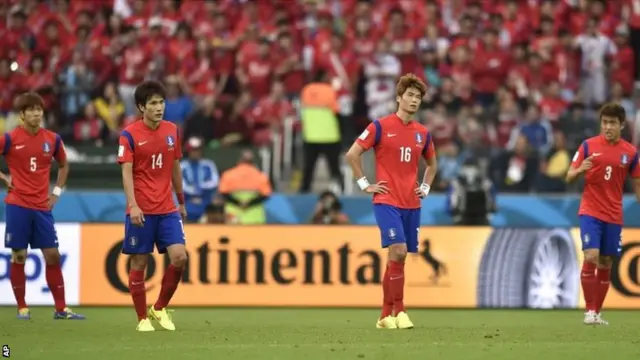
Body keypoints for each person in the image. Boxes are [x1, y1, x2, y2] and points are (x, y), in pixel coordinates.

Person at [345, 73, 438, 329]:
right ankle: (401, 311)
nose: (414, 100)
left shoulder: (422, 133)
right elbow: (352, 154)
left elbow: (432, 163)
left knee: (398, 258)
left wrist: (426, 186)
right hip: (386, 199)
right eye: (409, 95)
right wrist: (365, 184)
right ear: (399, 98)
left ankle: (385, 316)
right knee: (397, 250)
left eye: (418, 97)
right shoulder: (380, 126)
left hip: (412, 202)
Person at [1, 92, 85, 320]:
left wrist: (56, 192)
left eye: (39, 109)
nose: (37, 113)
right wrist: (3, 177)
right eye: (32, 109)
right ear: (22, 114)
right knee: (19, 256)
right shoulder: (9, 138)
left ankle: (61, 309)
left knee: (53, 255)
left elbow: (65, 165)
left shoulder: (53, 139)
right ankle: (22, 307)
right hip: (17, 204)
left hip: (42, 207)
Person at [117, 80, 188, 332]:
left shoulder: (172, 130)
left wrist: (181, 200)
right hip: (142, 210)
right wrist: (133, 205)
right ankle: (141, 319)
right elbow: (126, 173)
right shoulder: (129, 135)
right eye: (153, 103)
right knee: (139, 263)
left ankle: (158, 308)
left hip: (167, 208)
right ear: (141, 107)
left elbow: (175, 166)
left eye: (161, 102)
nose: (159, 107)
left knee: (179, 257)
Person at [566, 103, 640, 325]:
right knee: (591, 256)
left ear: (621, 125)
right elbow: (569, 176)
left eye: (612, 123)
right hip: (590, 210)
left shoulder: (630, 152)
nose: (607, 127)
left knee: (606, 262)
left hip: (614, 214)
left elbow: (637, 182)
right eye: (604, 123)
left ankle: (597, 312)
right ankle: (589, 311)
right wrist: (579, 171)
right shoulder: (588, 146)